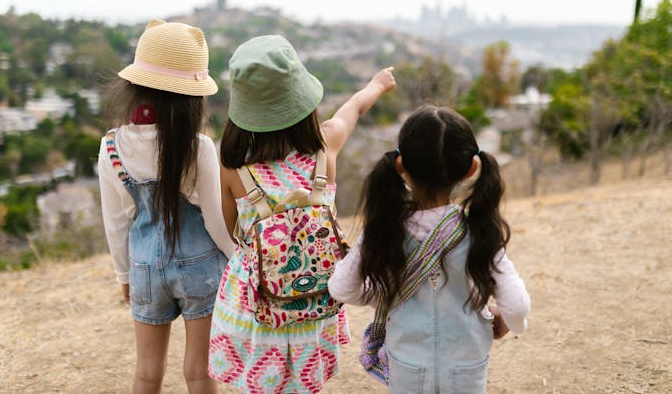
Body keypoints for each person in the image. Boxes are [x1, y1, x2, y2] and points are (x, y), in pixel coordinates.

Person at [208, 34, 396, 393]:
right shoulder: (324, 150)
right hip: (313, 303)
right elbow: (352, 110)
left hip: (259, 306)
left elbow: (232, 229)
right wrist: (376, 84)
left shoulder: (234, 169)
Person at [328, 105, 530, 393]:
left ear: (400, 167)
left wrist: (388, 293)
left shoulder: (385, 229)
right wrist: (510, 321)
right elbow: (518, 304)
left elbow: (341, 288)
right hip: (467, 367)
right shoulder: (480, 231)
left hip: (407, 367)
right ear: (473, 168)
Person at [98, 20, 235, 394]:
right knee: (200, 372)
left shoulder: (112, 146)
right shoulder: (199, 146)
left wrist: (124, 276)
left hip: (143, 265)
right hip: (201, 267)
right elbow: (215, 219)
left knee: (146, 372)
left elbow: (116, 221)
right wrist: (238, 260)